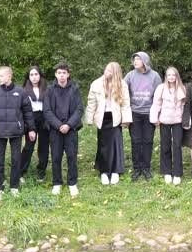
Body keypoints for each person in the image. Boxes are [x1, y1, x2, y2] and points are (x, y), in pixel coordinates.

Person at [0, 66, 36, 202]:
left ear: (10, 76)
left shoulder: (20, 92)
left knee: (16, 160)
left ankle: (14, 187)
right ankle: (0, 188)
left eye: (1, 76)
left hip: (16, 132)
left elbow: (28, 112)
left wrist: (31, 129)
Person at [87, 61, 131, 186]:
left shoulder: (122, 85)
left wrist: (126, 120)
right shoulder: (96, 84)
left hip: (115, 118)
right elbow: (91, 102)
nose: (107, 72)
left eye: (110, 71)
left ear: (115, 72)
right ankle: (104, 172)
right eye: (106, 70)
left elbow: (126, 103)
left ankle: (116, 171)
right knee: (103, 145)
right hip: (102, 118)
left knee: (116, 144)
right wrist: (89, 119)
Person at [45, 62, 83, 197]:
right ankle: (57, 183)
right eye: (59, 73)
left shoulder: (75, 89)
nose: (62, 75)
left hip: (71, 129)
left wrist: (68, 125)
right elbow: (47, 111)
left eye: (64, 73)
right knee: (56, 157)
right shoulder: (50, 90)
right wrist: (58, 125)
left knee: (72, 156)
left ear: (68, 74)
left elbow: (79, 109)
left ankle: (72, 183)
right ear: (56, 74)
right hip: (55, 130)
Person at [125, 52, 162, 181]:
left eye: (138, 59)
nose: (135, 61)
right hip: (134, 113)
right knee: (136, 141)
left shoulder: (155, 76)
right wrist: (125, 115)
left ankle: (146, 168)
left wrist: (158, 115)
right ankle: (136, 168)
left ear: (145, 61)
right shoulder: (129, 76)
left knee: (147, 141)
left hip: (149, 113)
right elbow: (124, 94)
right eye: (134, 59)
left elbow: (159, 96)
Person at [150, 66, 188, 184]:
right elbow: (156, 104)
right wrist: (154, 118)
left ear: (177, 76)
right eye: (169, 75)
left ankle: (177, 173)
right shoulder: (161, 88)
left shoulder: (182, 88)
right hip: (164, 121)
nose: (171, 77)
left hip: (177, 121)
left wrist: (187, 121)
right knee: (165, 145)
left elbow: (185, 107)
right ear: (166, 77)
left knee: (177, 146)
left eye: (173, 75)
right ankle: (166, 171)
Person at [19, 66, 51, 183]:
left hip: (44, 118)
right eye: (31, 75)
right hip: (30, 118)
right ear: (28, 77)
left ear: (40, 75)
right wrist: (28, 125)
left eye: (36, 74)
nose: (34, 77)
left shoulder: (47, 88)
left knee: (44, 146)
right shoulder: (24, 90)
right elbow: (23, 109)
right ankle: (21, 171)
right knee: (29, 146)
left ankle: (41, 172)